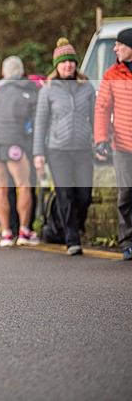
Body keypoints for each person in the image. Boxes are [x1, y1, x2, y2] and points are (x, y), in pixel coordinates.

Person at [33, 38, 95, 255]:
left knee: (85, 196)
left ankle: (63, 228)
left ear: (76, 63)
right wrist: (38, 154)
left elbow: (96, 117)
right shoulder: (48, 90)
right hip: (57, 150)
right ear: (56, 66)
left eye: (71, 61)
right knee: (65, 194)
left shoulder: (86, 87)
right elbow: (40, 123)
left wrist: (100, 142)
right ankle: (72, 239)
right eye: (63, 62)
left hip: (83, 149)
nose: (68, 65)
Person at [0, 56, 40, 247]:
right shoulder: (30, 89)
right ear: (22, 72)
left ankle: (5, 234)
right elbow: (37, 121)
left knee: (0, 188)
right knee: (23, 185)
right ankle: (24, 232)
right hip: (14, 142)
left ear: (3, 73)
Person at [94, 27, 132, 261]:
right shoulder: (111, 74)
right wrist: (101, 140)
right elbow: (102, 109)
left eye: (119, 44)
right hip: (123, 146)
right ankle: (127, 242)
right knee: (126, 194)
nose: (115, 48)